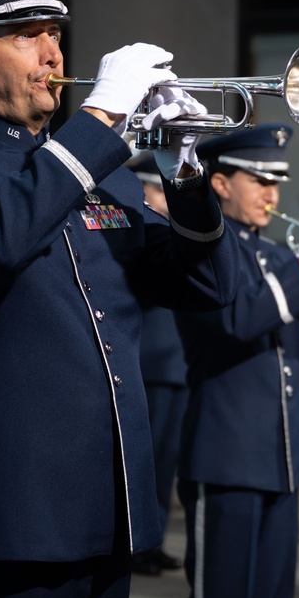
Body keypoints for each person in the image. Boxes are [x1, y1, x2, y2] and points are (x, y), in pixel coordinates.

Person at [0, 0, 238, 598]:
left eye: (54, 32)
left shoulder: (107, 177)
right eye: (25, 35)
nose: (51, 51)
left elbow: (208, 286)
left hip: (110, 513)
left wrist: (186, 173)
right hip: (9, 516)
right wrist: (102, 116)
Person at [174, 123, 299, 598]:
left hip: (280, 460)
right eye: (260, 180)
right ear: (219, 183)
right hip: (225, 461)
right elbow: (239, 321)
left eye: (276, 182)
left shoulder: (278, 256)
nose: (272, 194)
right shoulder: (200, 252)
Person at [126, 155, 187, 576]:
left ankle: (154, 538)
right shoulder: (138, 230)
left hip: (176, 363)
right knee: (141, 462)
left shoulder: (171, 230)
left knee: (166, 462)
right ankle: (133, 543)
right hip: (148, 362)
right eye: (155, 189)